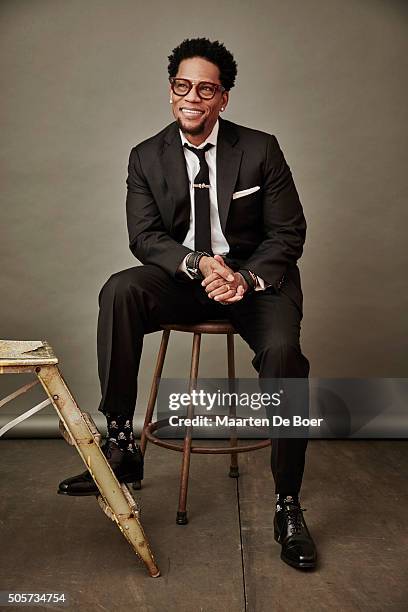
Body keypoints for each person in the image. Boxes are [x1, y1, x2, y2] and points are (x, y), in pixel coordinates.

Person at [58, 38, 317, 570]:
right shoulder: (145, 155)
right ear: (170, 91)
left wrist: (242, 278)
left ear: (223, 97)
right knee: (121, 289)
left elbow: (289, 232)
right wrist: (201, 265)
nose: (192, 97)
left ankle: (287, 501)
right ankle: (122, 446)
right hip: (189, 278)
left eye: (206, 88)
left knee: (285, 356)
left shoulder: (261, 149)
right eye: (182, 86)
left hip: (256, 284)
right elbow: (146, 238)